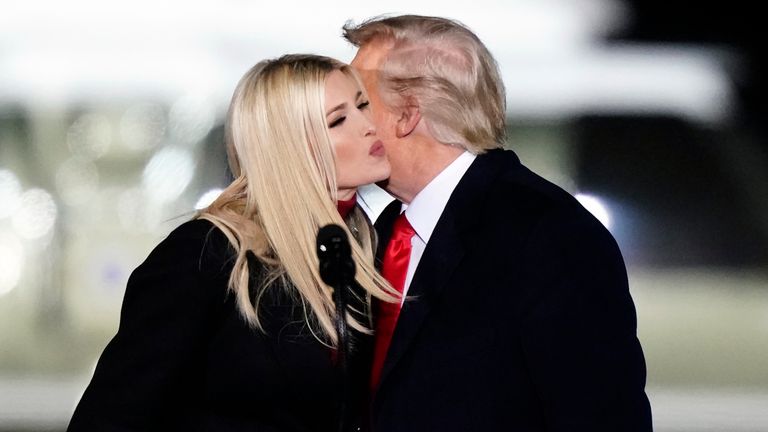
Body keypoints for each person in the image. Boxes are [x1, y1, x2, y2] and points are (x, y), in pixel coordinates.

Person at [343, 15, 653, 431]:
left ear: (407, 115)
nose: (346, 121)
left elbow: (602, 416)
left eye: (360, 102)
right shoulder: (381, 232)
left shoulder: (549, 236)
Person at [67, 54, 397, 432]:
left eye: (362, 105)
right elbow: (113, 414)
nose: (369, 126)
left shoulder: (360, 245)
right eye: (338, 120)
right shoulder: (208, 251)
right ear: (290, 148)